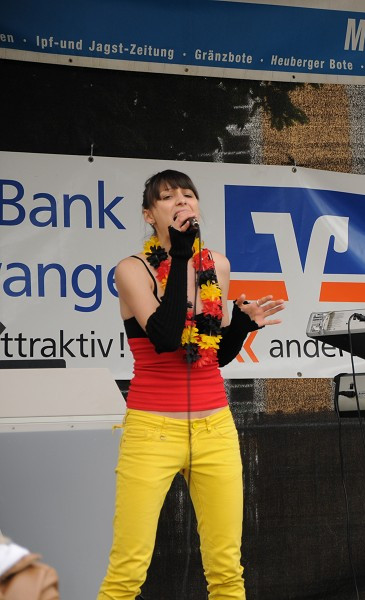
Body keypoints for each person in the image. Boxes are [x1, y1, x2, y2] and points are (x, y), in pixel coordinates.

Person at [97, 170, 285, 600]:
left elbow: (212, 354)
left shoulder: (216, 265)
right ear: (150, 214)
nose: (181, 201)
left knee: (226, 570)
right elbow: (164, 339)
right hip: (152, 429)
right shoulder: (132, 269)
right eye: (167, 197)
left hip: (214, 427)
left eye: (188, 194)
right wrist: (180, 255)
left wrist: (242, 324)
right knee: (127, 572)